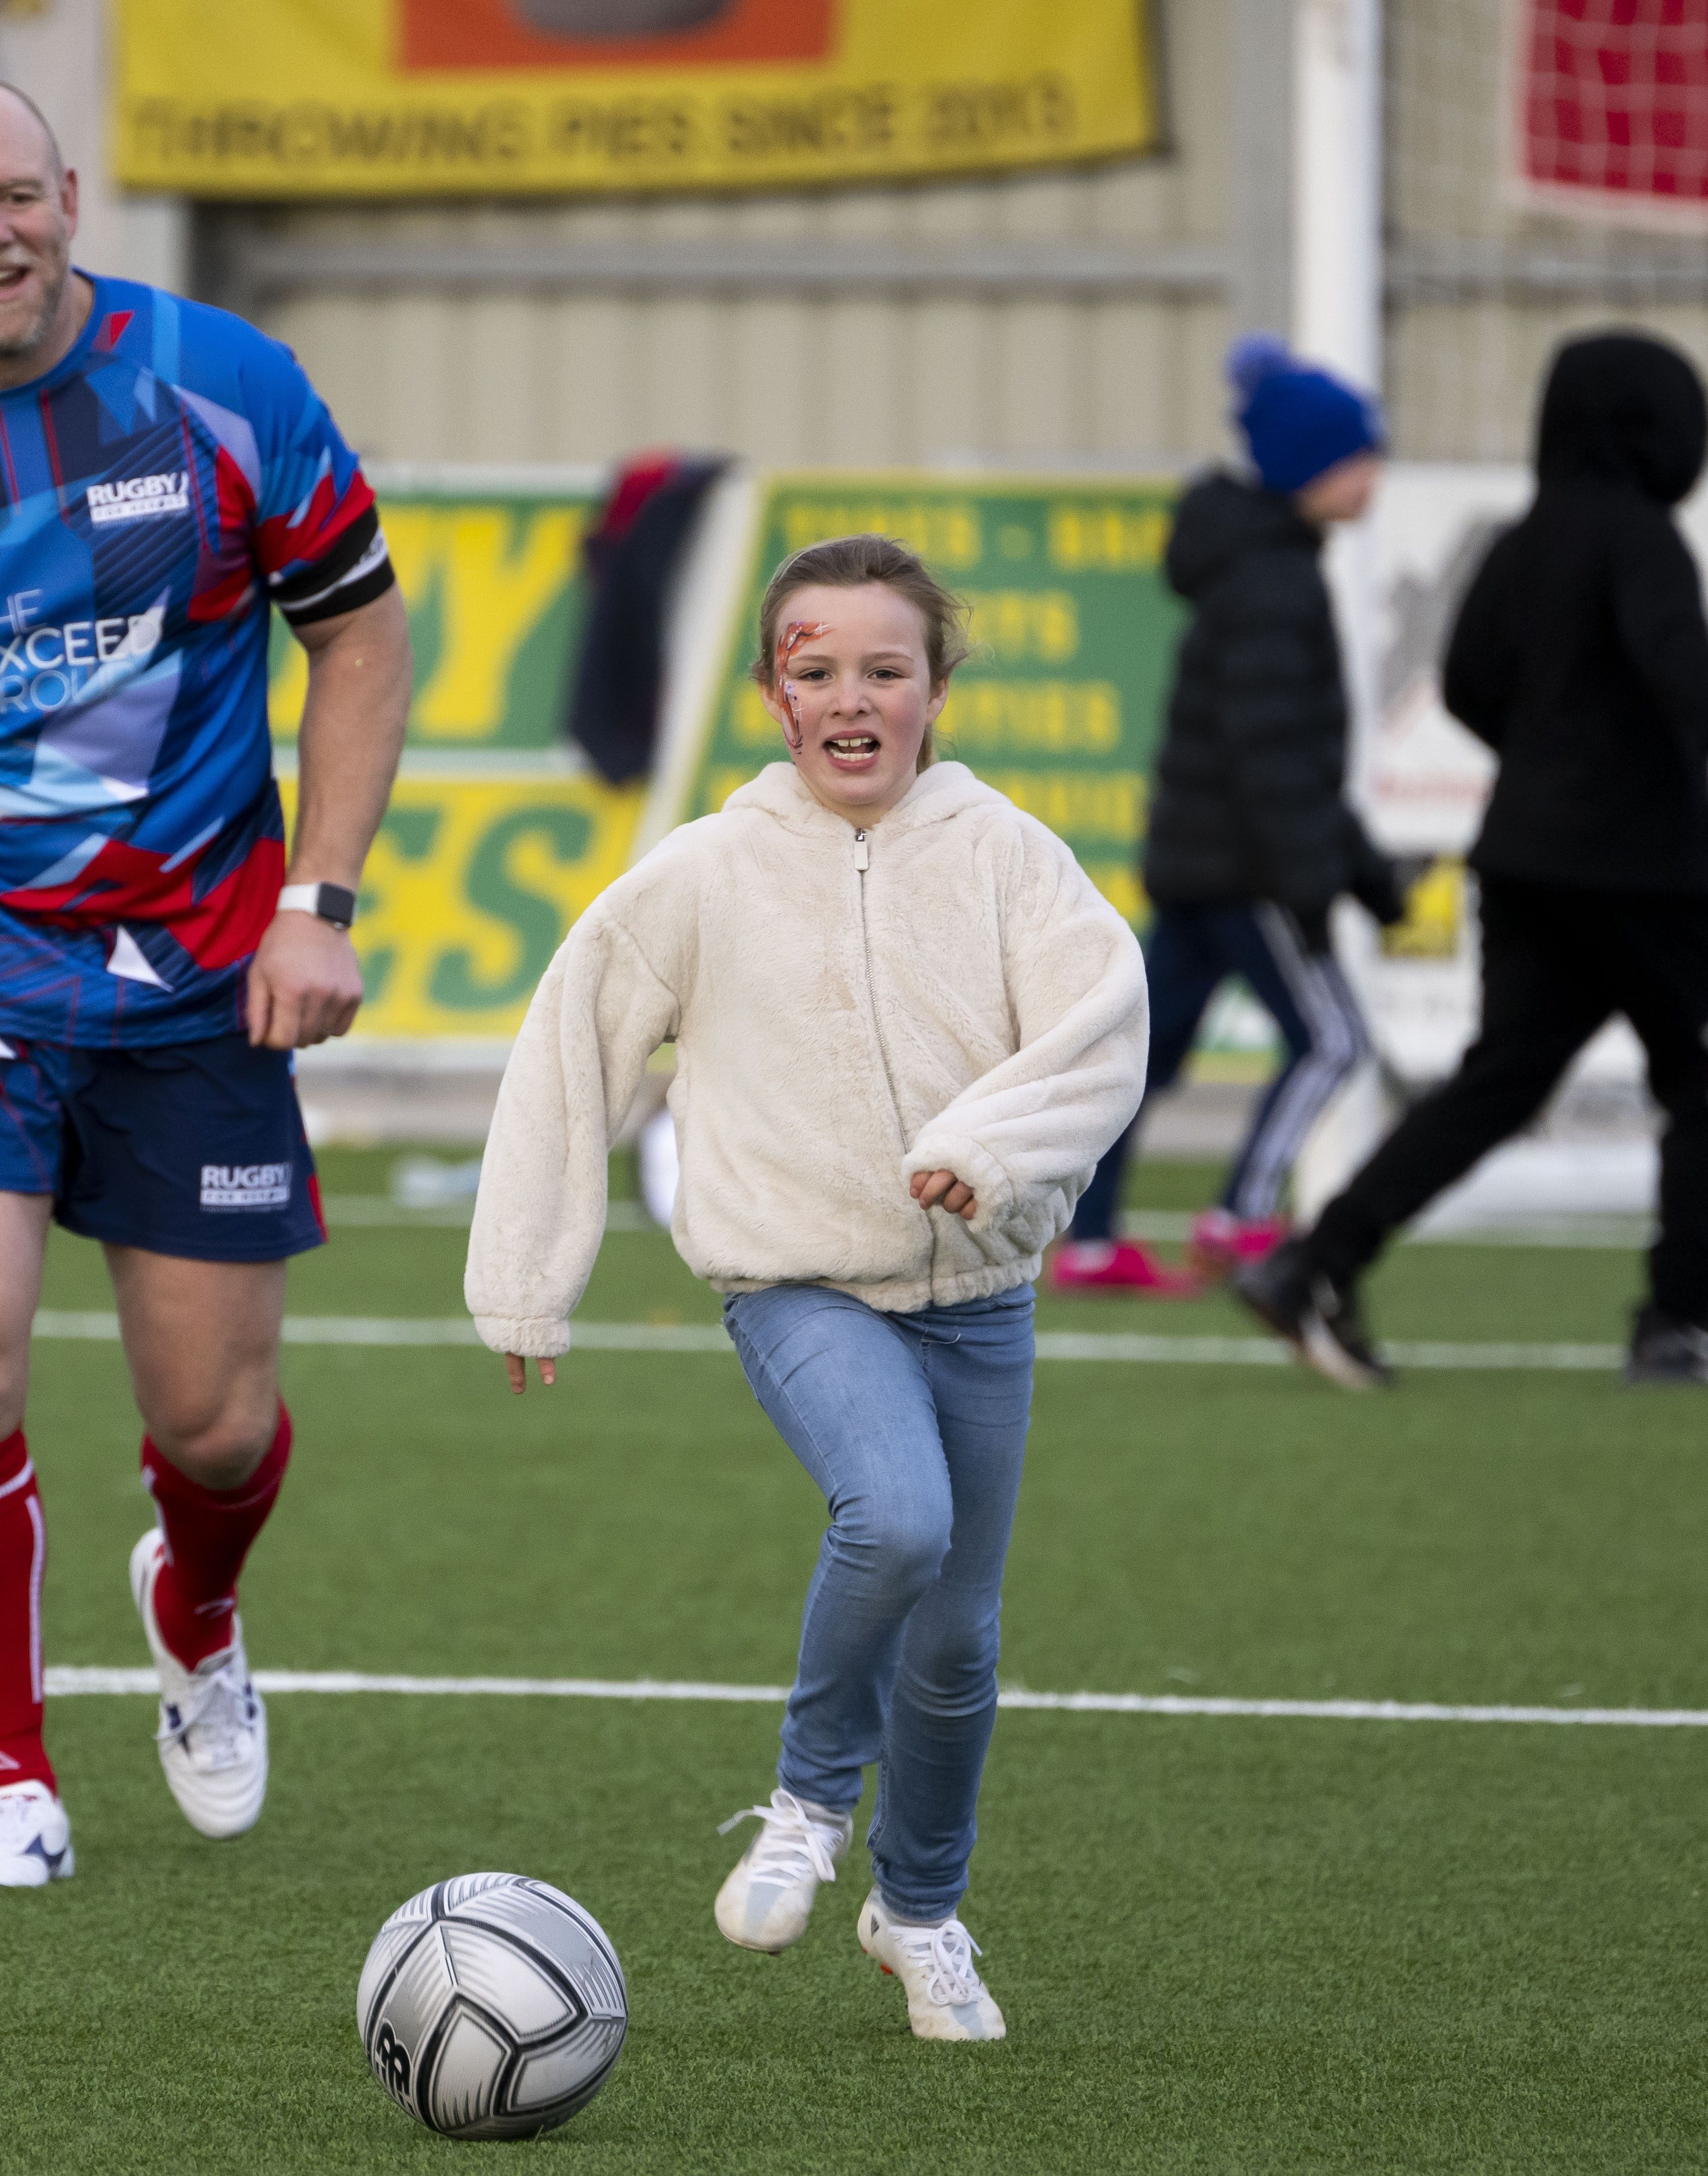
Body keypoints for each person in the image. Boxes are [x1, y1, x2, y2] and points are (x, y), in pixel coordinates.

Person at [0, 75, 412, 1887]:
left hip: (202, 971)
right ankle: (10, 1777)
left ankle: (194, 1607)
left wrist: (318, 899)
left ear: (72, 195)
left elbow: (355, 628)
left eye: (18, 194)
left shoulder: (226, 385)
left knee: (217, 1420)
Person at [465, 535, 1146, 2041]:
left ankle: (918, 1914)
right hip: (797, 1287)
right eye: (817, 669)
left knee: (959, 1642)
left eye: (884, 671)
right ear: (775, 694)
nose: (852, 697)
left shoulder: (1007, 856)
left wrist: (988, 1152)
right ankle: (806, 1801)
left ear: (935, 689)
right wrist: (525, 1277)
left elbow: (1102, 1026)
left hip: (981, 1301)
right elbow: (569, 1041)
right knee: (896, 1517)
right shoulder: (705, 874)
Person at [1235, 328, 1708, 1392]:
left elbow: (1470, 681)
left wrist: (1550, 754)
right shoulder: (1642, 539)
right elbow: (1680, 665)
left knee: (1496, 1082)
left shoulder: (1521, 540)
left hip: (1525, 858)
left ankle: (1312, 1260)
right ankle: (1678, 1322)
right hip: (1638, 872)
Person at [1054, 336, 1410, 1296]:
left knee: (1140, 1057)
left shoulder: (1249, 567)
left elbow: (1279, 752)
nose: (1374, 474)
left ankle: (1086, 1243)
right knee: (1335, 1042)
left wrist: (1363, 872)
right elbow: (1275, 759)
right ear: (1307, 468)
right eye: (1358, 457)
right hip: (1246, 869)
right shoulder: (1274, 581)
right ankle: (1240, 1217)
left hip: (1199, 861)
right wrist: (1315, 883)